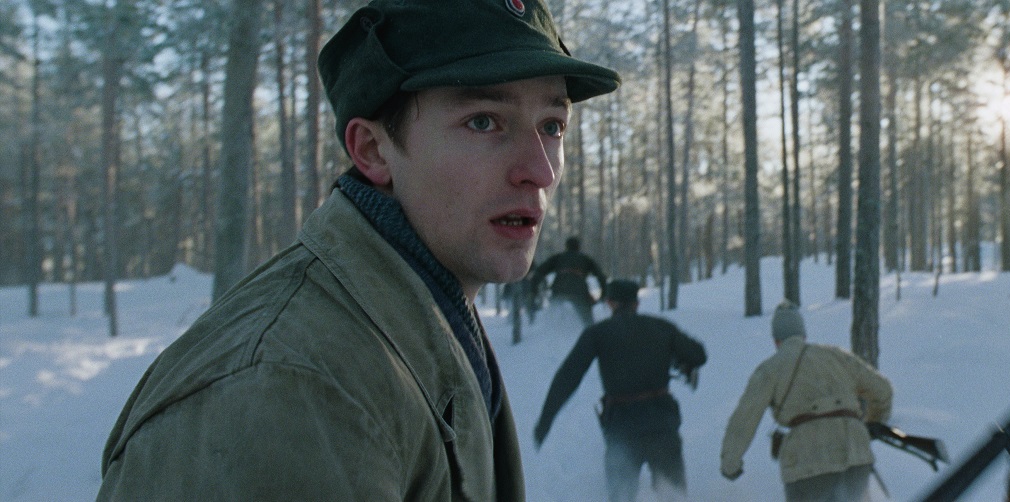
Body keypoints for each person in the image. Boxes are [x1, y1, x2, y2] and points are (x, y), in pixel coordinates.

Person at [96, 0, 619, 499]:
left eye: (552, 126)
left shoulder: (420, 318)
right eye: (483, 121)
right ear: (372, 150)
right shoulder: (287, 388)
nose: (541, 170)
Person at [533, 279, 707, 502]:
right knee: (673, 497)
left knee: (621, 497)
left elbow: (568, 376)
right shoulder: (661, 327)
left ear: (609, 303)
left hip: (622, 429)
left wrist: (545, 420)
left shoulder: (598, 333)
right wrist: (676, 359)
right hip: (662, 425)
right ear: (636, 303)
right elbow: (699, 355)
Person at [720, 301, 893, 502]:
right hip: (855, 454)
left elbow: (744, 420)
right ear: (804, 336)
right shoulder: (836, 356)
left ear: (776, 341)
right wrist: (871, 424)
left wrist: (730, 465)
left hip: (807, 463)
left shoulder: (769, 369)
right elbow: (883, 390)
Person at [531, 236, 607, 326]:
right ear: (578, 247)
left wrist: (534, 291)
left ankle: (548, 329)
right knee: (588, 321)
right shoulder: (585, 259)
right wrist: (603, 295)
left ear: (566, 246)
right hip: (579, 291)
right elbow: (601, 277)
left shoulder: (558, 258)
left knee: (552, 314)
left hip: (559, 289)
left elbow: (539, 272)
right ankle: (590, 331)